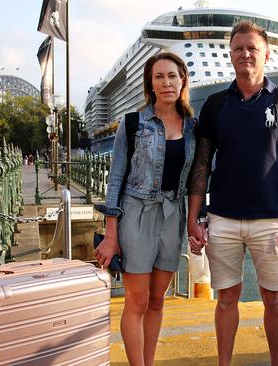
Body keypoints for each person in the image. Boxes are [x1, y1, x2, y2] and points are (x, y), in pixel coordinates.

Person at [187, 20, 278, 366]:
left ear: (266, 54)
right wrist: (193, 218)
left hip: (273, 220)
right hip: (222, 218)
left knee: (275, 299)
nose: (245, 54)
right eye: (239, 48)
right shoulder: (213, 105)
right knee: (225, 299)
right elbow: (201, 165)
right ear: (230, 55)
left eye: (252, 48)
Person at [94, 52, 196, 366]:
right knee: (136, 302)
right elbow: (116, 179)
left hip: (173, 215)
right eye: (159, 76)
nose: (167, 82)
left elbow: (198, 180)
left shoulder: (195, 127)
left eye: (172, 76)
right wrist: (111, 236)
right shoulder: (132, 123)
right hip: (136, 213)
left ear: (182, 80)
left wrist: (197, 220)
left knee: (157, 301)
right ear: (150, 84)